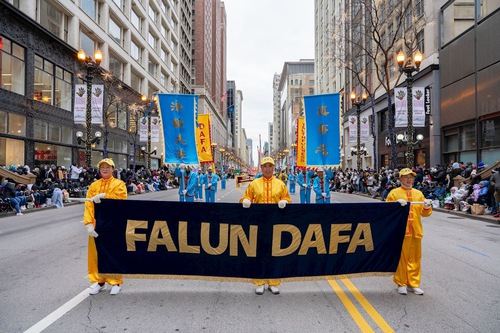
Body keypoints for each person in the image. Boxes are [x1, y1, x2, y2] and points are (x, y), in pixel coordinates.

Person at [240, 156, 292, 295]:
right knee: (259, 252)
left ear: (273, 168)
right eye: (265, 166)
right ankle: (260, 281)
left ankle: (273, 282)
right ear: (261, 168)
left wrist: (285, 202)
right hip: (258, 223)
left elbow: (287, 198)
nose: (268, 169)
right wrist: (245, 200)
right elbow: (246, 197)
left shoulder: (280, 184)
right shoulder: (254, 184)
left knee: (275, 252)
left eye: (270, 166)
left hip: (276, 224)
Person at [83, 158, 127, 295]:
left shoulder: (119, 184)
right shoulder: (93, 186)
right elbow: (88, 205)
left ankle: (116, 282)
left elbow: (121, 200)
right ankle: (100, 281)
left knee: (113, 252)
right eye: (102, 167)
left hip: (113, 224)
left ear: (113, 169)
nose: (105, 169)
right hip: (98, 224)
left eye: (108, 167)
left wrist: (105, 196)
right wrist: (89, 224)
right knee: (97, 254)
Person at [386, 168, 433, 296]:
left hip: (416, 231)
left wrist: (427, 206)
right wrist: (395, 206)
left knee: (415, 258)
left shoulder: (418, 194)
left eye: (411, 177)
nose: (408, 179)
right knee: (402, 258)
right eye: (406, 177)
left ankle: (414, 283)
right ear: (400, 179)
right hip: (401, 231)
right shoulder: (394, 193)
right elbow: (387, 212)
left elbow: (424, 213)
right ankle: (401, 283)